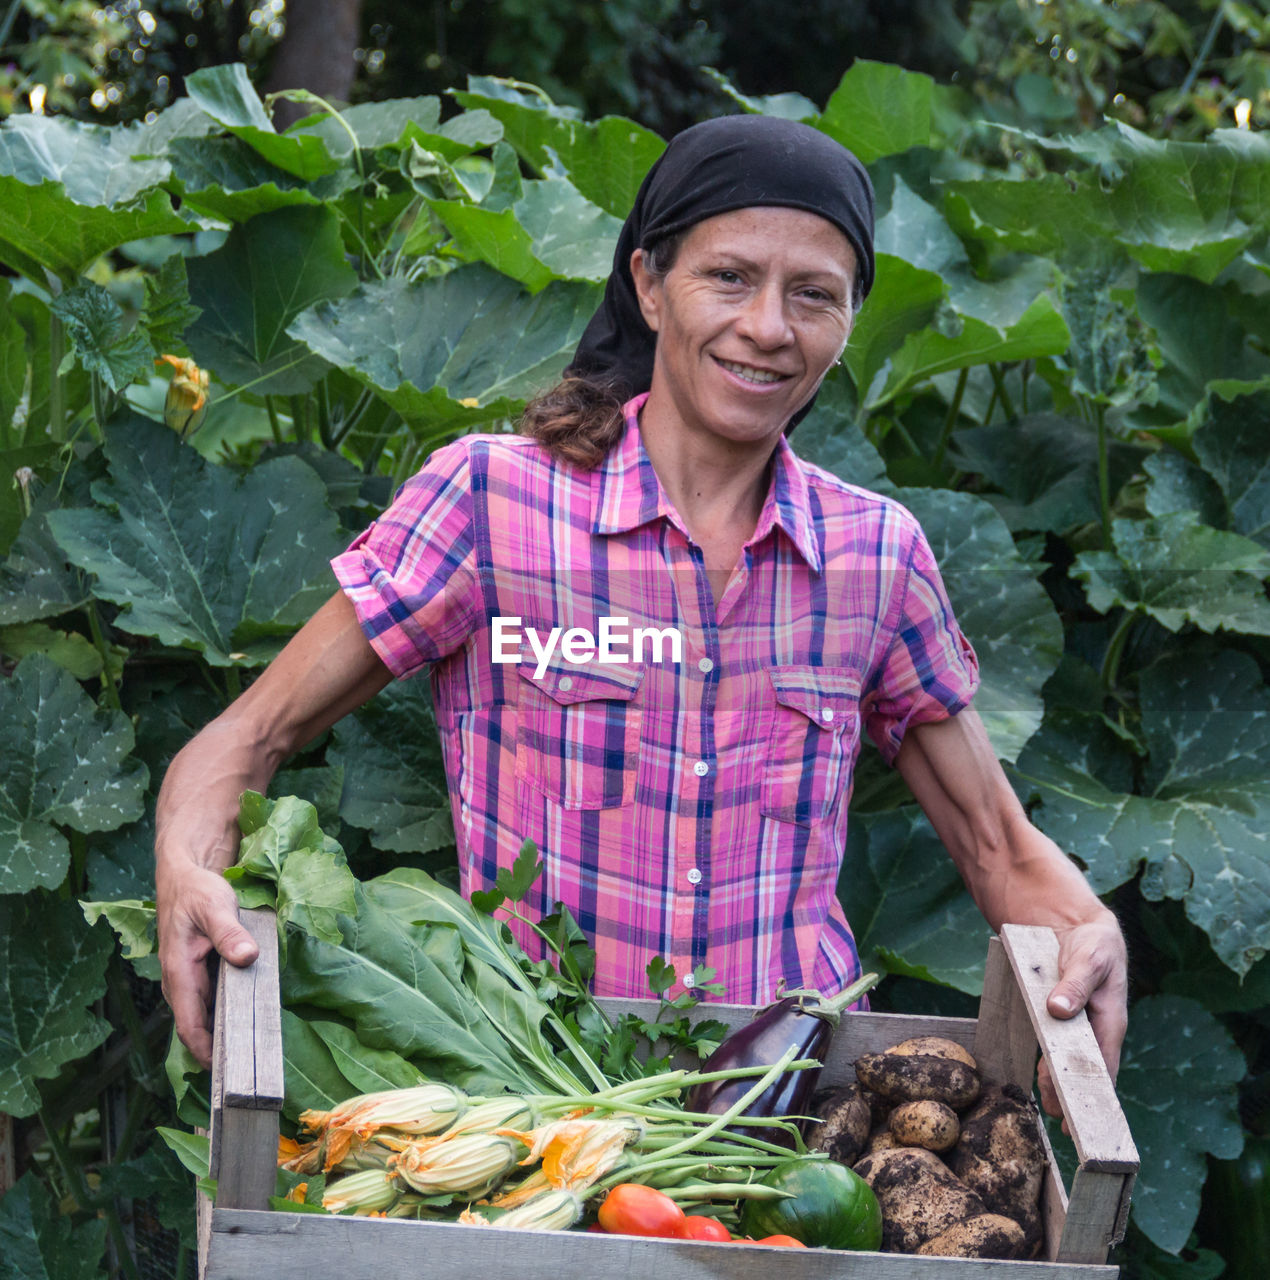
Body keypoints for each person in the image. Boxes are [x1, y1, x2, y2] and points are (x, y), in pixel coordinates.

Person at [155, 116, 1126, 1121]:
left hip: (789, 1115)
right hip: (534, 1100)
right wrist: (187, 870)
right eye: (730, 278)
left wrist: (1089, 928)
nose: (768, 327)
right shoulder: (492, 502)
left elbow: (996, 846)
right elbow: (248, 736)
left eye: (813, 296)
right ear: (650, 285)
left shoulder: (875, 556)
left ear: (847, 324)